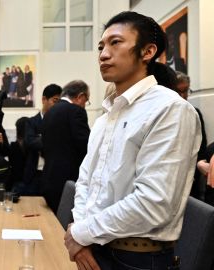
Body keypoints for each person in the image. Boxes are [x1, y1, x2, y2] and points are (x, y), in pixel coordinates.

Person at [64, 11, 201, 270]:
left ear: (147, 51)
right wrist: (81, 234)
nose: (103, 54)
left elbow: (153, 203)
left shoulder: (169, 108)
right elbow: (86, 181)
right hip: (94, 246)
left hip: (137, 258)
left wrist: (81, 233)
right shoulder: (107, 115)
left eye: (115, 43)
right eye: (101, 46)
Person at [41, 80, 90, 212]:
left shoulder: (48, 113)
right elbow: (86, 146)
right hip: (68, 183)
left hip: (48, 179)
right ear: (80, 96)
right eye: (86, 101)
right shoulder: (76, 111)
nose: (85, 105)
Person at [20, 83, 62, 196]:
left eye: (59, 102)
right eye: (55, 100)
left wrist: (41, 139)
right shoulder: (31, 122)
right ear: (44, 99)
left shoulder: (61, 124)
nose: (57, 105)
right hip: (34, 175)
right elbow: (30, 142)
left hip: (53, 176)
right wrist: (52, 140)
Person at [175, 71, 207, 200]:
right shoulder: (163, 114)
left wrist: (197, 164)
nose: (183, 96)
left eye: (186, 91)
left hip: (191, 173)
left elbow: (202, 144)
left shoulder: (195, 113)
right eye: (179, 91)